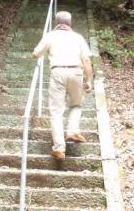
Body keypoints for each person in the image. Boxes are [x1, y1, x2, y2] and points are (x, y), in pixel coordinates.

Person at [32, 11, 93, 161]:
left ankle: (59, 148)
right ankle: (72, 130)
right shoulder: (78, 37)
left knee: (56, 111)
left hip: (57, 71)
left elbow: (36, 53)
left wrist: (38, 54)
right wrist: (89, 80)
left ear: (56, 23)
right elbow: (86, 60)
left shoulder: (50, 36)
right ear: (70, 23)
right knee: (76, 105)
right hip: (76, 72)